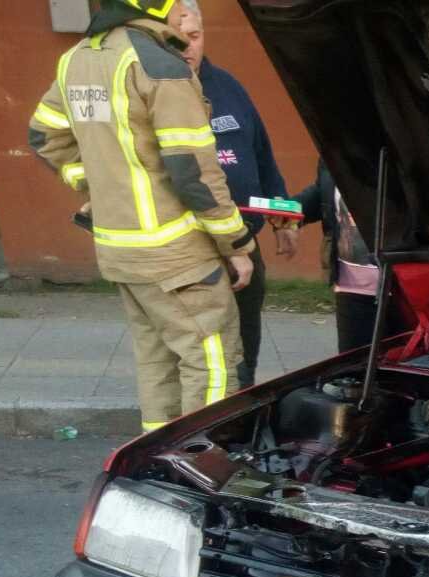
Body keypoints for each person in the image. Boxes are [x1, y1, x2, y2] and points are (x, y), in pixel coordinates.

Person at [28, 0, 253, 432]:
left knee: (157, 362)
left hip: (121, 250)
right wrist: (237, 243)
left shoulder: (77, 59)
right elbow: (193, 171)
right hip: (175, 254)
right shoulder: (158, 65)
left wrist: (91, 182)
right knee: (212, 364)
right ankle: (199, 465)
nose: (183, 21)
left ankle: (157, 464)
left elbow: (43, 135)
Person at [166, 0, 296, 392]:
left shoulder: (228, 86)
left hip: (246, 242)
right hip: (194, 250)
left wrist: (285, 216)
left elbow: (262, 155)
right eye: (176, 39)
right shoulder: (158, 92)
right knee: (204, 356)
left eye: (194, 36)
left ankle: (241, 414)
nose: (188, 47)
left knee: (245, 349)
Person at [293, 163, 383, 354]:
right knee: (352, 370)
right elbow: (321, 193)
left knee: (403, 372)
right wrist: (290, 211)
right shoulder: (334, 151)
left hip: (403, 286)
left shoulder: (405, 148)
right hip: (351, 285)